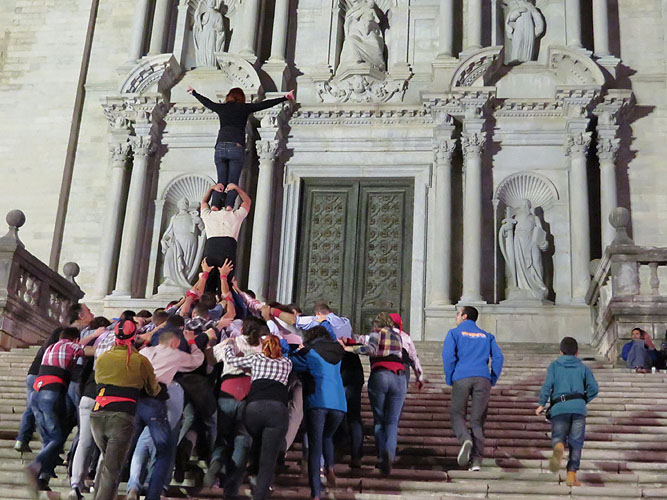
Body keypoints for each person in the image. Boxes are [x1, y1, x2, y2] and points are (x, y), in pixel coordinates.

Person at [125, 328, 205, 500]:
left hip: (138, 398)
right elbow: (197, 361)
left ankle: (133, 486)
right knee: (164, 448)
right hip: (160, 397)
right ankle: (153, 490)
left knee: (140, 443)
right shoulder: (174, 354)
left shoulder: (145, 352)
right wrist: (192, 342)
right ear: (174, 342)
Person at [187, 86, 295, 209]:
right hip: (236, 146)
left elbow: (207, 102)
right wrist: (285, 97)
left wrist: (194, 93)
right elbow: (264, 105)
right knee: (233, 181)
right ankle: (229, 205)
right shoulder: (244, 108)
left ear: (228, 96)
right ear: (242, 98)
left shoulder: (222, 107)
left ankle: (215, 205)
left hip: (221, 146)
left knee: (221, 180)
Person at [89, 318, 162, 500]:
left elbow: (98, 380)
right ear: (134, 336)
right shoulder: (139, 360)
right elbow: (153, 390)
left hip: (97, 414)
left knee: (106, 463)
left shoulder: (103, 357)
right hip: (121, 416)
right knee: (112, 470)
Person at [16, 303, 94, 454]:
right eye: (89, 311)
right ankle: (47, 447)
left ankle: (23, 440)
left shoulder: (61, 333)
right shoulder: (64, 334)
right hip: (45, 375)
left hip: (38, 374)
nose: (92, 314)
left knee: (33, 408)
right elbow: (69, 349)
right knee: (49, 414)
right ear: (80, 316)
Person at [222, 333, 292, 500]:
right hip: (277, 410)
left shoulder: (256, 358)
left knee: (247, 442)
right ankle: (260, 494)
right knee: (268, 459)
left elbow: (231, 360)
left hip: (254, 407)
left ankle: (235, 484)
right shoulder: (287, 363)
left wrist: (229, 346)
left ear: (263, 346)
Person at [206, 316, 266, 494]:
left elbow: (210, 359)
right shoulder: (263, 346)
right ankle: (232, 487)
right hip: (250, 393)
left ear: (241, 329)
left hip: (228, 389)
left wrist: (210, 343)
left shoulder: (232, 342)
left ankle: (217, 461)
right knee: (243, 440)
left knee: (223, 437)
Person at [342, 312, 407, 476]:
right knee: (392, 421)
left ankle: (381, 457)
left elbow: (370, 349)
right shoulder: (398, 336)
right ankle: (390, 455)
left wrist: (348, 348)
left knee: (379, 420)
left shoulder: (376, 333)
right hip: (399, 377)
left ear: (376, 323)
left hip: (381, 374)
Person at [442, 306, 504, 471]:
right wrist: (492, 378)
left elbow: (448, 356)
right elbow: (498, 357)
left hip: (462, 376)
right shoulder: (487, 336)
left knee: (457, 414)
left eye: (458, 313)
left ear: (464, 316)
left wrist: (450, 376)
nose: (456, 317)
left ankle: (465, 439)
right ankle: (476, 461)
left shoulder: (454, 333)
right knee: (477, 421)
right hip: (482, 378)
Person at [25, 327, 85, 493]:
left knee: (49, 439)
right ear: (76, 339)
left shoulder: (50, 347)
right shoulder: (71, 346)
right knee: (56, 439)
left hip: (36, 393)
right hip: (51, 392)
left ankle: (42, 477)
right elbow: (83, 351)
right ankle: (36, 466)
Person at [290, 325, 346, 500]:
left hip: (318, 400)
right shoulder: (338, 352)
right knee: (327, 437)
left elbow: (293, 363)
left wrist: (294, 349)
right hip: (339, 403)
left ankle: (316, 493)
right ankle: (330, 467)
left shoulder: (310, 352)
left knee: (315, 446)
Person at [536, 336, 599, 486]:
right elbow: (594, 388)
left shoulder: (554, 366)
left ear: (560, 351)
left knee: (559, 436)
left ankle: (558, 446)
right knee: (576, 442)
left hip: (559, 408)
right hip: (578, 409)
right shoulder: (583, 368)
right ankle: (571, 475)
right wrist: (582, 400)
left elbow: (547, 386)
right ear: (577, 352)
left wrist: (541, 404)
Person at [200, 184, 250, 296]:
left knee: (207, 285)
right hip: (227, 249)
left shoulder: (209, 215)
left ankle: (207, 301)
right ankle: (223, 301)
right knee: (225, 283)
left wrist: (211, 188)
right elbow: (247, 201)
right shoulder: (235, 215)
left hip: (212, 248)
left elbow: (203, 202)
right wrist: (237, 188)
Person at [389, 312, 425, 389]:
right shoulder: (405, 337)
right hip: (402, 368)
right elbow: (413, 357)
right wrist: (419, 376)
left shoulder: (380, 335)